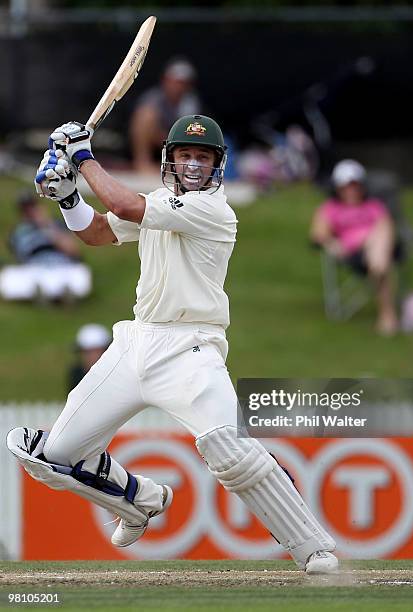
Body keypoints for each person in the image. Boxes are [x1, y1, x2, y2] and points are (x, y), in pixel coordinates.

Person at [7, 114, 338, 574]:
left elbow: (124, 208)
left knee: (227, 447)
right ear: (171, 160)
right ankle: (139, 500)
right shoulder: (160, 201)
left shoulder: (215, 211)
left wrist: (82, 157)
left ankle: (313, 547)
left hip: (190, 348)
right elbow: (97, 231)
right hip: (136, 342)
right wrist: (66, 198)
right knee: (53, 457)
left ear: (218, 165)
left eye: (203, 157)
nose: (194, 166)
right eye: (186, 156)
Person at [310, 159, 398, 334]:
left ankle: (377, 267)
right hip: (352, 252)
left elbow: (387, 227)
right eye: (346, 186)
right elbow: (317, 233)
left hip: (377, 248)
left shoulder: (374, 206)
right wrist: (331, 243)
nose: (351, 190)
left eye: (355, 185)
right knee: (378, 248)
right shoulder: (330, 208)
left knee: (379, 236)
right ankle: (388, 314)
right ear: (337, 187)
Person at [0, 192, 91, 303]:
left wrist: (46, 225)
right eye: (26, 210)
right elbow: (20, 259)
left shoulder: (57, 225)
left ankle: (57, 293)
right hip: (35, 268)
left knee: (80, 272)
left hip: (61, 266)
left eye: (32, 208)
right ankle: (46, 293)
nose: (30, 212)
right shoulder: (18, 232)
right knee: (9, 275)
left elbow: (74, 252)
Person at [130, 58, 202, 174]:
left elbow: (188, 134)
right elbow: (144, 125)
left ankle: (182, 167)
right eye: (175, 81)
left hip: (176, 145)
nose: (178, 87)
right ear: (165, 80)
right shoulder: (153, 98)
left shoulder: (190, 103)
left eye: (182, 83)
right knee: (145, 116)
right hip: (159, 143)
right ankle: (143, 163)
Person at [68, 323, 112, 392]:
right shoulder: (76, 374)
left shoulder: (117, 374)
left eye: (96, 351)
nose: (91, 357)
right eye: (87, 352)